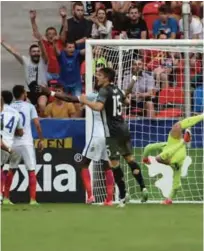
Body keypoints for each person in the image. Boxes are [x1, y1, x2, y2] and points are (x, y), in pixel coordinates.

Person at [80, 68, 148, 205]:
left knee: (114, 164)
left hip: (111, 132)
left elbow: (98, 107)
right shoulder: (116, 89)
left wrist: (85, 101)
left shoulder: (104, 91)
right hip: (123, 129)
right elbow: (127, 102)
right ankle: (143, 187)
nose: (97, 77)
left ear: (106, 78)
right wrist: (134, 79)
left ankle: (123, 195)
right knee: (130, 159)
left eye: (99, 75)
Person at [143, 114, 204, 204]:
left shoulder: (167, 145)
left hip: (175, 153)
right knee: (162, 159)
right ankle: (202, 116)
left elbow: (148, 147)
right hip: (176, 158)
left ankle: (202, 116)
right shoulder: (167, 148)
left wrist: (145, 158)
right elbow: (176, 186)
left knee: (160, 158)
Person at [4, 85, 44, 205]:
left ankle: (6, 198)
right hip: (26, 142)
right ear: (23, 94)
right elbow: (37, 124)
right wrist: (41, 139)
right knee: (31, 170)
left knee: (11, 169)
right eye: (25, 93)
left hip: (13, 143)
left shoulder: (9, 107)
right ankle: (32, 199)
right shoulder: (30, 106)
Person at [1, 39, 48, 116]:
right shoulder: (25, 61)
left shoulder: (44, 61)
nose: (36, 53)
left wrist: (40, 41)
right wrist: (2, 42)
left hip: (41, 92)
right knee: (24, 109)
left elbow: (45, 53)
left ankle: (41, 122)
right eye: (34, 51)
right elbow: (13, 52)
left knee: (42, 105)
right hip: (28, 93)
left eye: (38, 51)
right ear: (30, 53)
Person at [30, 7, 68, 81]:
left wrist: (64, 17)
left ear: (57, 35)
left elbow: (64, 30)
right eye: (49, 34)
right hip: (48, 74)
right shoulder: (44, 43)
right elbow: (36, 33)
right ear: (46, 36)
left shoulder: (60, 41)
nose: (52, 36)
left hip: (61, 73)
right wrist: (32, 20)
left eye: (54, 34)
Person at [1, 91, 24, 204]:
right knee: (12, 169)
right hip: (11, 145)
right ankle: (6, 197)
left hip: (2, 145)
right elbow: (20, 132)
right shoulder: (16, 113)